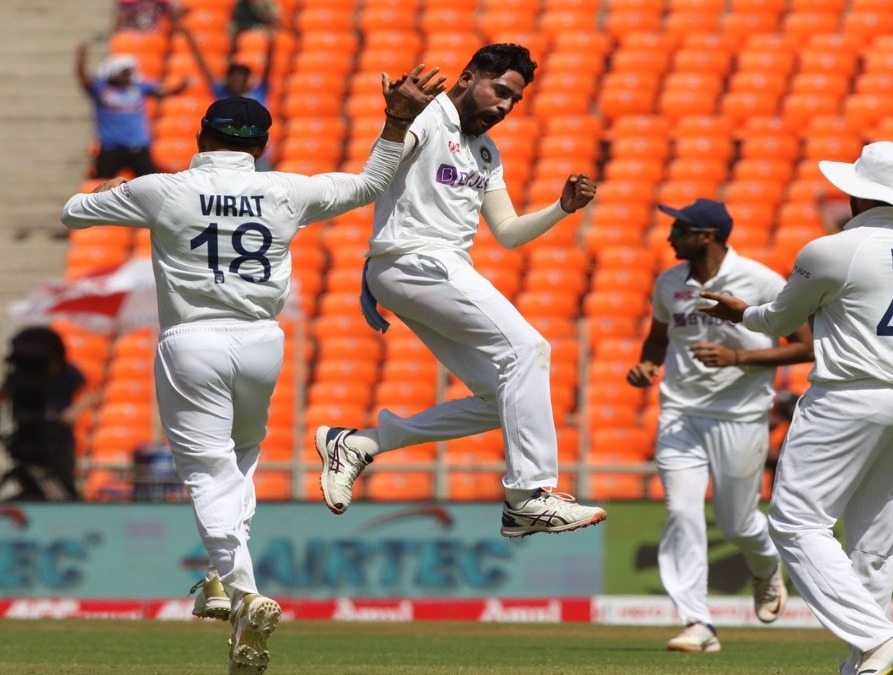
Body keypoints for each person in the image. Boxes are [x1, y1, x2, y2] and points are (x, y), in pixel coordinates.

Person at [61, 66, 447, 674]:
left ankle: (242, 589)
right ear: (261, 146)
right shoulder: (288, 191)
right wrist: (397, 120)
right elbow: (373, 183)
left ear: (199, 136)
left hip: (192, 339)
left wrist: (119, 189)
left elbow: (74, 212)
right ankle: (220, 577)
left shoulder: (163, 190)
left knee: (206, 471)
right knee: (241, 457)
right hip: (263, 342)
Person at [313, 43, 607, 539]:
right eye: (500, 92)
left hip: (431, 268)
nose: (505, 107)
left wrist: (561, 209)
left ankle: (359, 445)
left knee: (502, 398)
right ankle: (528, 495)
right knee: (529, 349)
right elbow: (376, 173)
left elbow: (508, 232)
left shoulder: (486, 151)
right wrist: (396, 119)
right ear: (468, 77)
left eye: (514, 101)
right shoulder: (427, 119)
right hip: (413, 258)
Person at [699, 142, 893, 675]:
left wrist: (741, 312)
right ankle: (864, 662)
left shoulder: (834, 248)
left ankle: (877, 637)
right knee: (875, 540)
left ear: (857, 193)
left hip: (849, 395)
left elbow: (777, 321)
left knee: (795, 523)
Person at [625, 199, 814, 653]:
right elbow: (656, 338)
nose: (670, 237)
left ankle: (766, 566)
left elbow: (806, 347)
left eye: (680, 229)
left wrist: (738, 358)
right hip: (680, 415)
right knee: (681, 513)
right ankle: (698, 623)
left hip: (741, 416)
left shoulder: (762, 280)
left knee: (739, 525)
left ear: (706, 236)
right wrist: (647, 367)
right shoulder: (669, 283)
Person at [0, 327, 98, 501]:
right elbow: (5, 394)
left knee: (61, 484)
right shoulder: (20, 376)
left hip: (58, 438)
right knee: (30, 484)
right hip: (28, 437)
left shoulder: (67, 370)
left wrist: (71, 413)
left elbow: (91, 393)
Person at [75, 43, 190, 179]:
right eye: (125, 71)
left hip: (138, 147)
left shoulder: (138, 87)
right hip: (111, 148)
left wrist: (180, 86)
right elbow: (84, 79)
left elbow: (163, 91)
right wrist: (81, 60)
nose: (129, 75)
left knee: (151, 184)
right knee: (99, 185)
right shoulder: (101, 89)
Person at [178, 24, 275, 169]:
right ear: (228, 79)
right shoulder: (222, 94)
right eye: (234, 78)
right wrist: (189, 38)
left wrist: (271, 42)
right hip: (226, 154)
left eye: (241, 79)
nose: (237, 82)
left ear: (247, 81)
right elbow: (203, 66)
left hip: (255, 154)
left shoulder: (258, 92)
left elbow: (269, 68)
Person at [114, 0, 184, 32]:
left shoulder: (162, 3)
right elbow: (120, 17)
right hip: (131, 40)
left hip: (155, 42)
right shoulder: (128, 3)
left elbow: (174, 14)